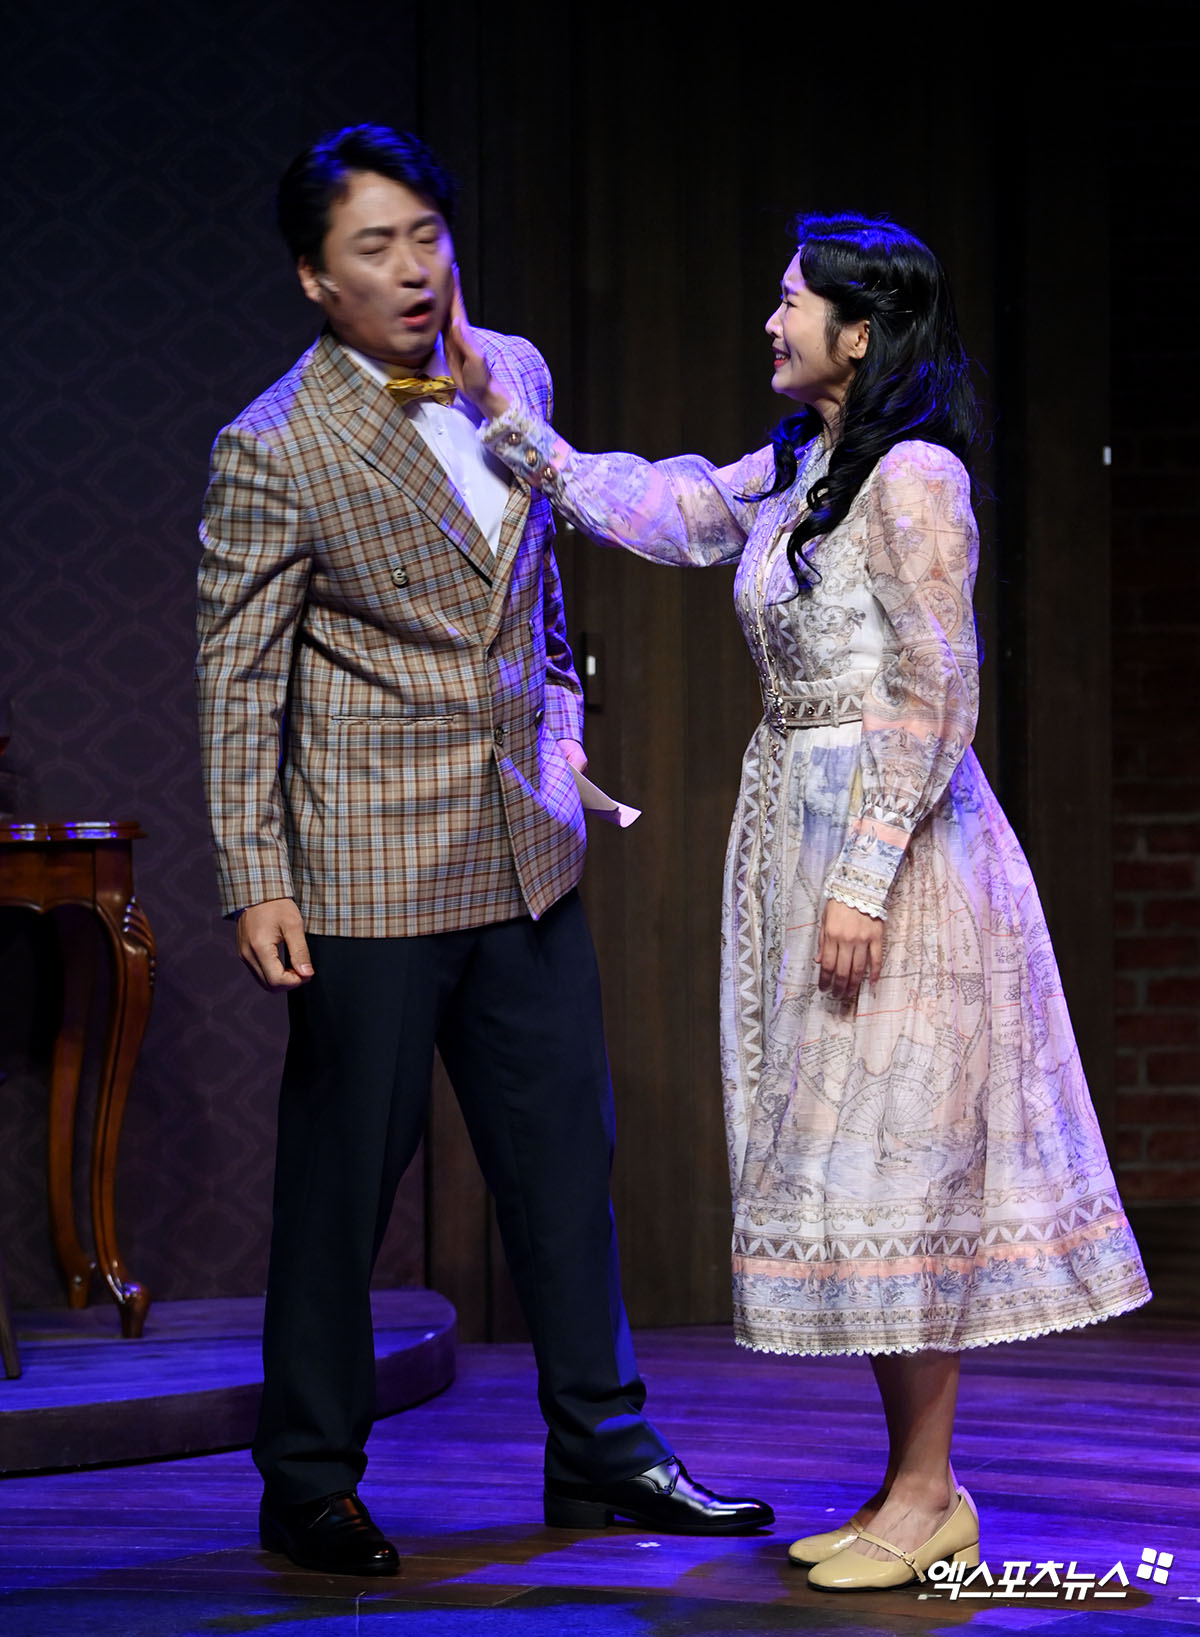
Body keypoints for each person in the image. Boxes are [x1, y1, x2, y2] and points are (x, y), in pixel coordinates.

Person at [447, 213, 1151, 1592]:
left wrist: (866, 876)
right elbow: (663, 511)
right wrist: (508, 422)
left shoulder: (914, 477)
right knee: (854, 1173)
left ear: (860, 331)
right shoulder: (800, 464)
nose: (770, 323)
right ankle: (913, 1485)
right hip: (797, 831)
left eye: (791, 302)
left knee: (905, 1164)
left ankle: (930, 1490)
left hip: (898, 856)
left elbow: (938, 687)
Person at [195, 123, 772, 1578]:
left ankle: (605, 1448)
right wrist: (257, 875)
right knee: (343, 1191)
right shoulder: (275, 445)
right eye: (373, 248)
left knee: (567, 1166)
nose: (410, 268)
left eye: (425, 236)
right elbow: (238, 680)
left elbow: (540, 588)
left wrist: (564, 730)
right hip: (369, 871)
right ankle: (308, 1480)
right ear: (315, 278)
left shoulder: (514, 371)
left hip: (525, 848)